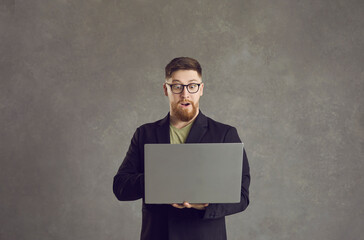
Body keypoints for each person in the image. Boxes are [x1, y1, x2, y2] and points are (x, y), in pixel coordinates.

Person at [113, 57, 250, 240]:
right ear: (166, 90)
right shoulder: (144, 134)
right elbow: (120, 187)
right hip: (157, 235)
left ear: (201, 89)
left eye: (192, 86)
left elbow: (242, 196)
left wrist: (206, 205)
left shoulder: (225, 134)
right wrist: (158, 181)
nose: (185, 94)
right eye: (177, 87)